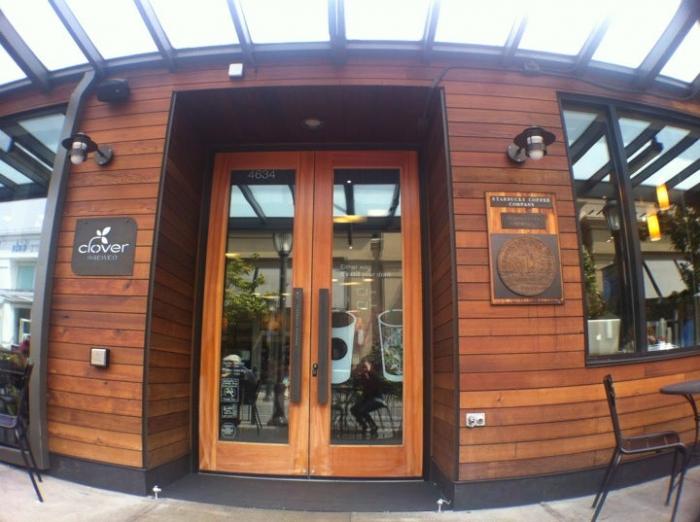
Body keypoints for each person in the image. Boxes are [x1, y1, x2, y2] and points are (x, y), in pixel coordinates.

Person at [350, 358, 384, 437]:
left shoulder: (373, 375)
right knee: (353, 409)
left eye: (365, 366)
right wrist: (357, 377)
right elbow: (358, 387)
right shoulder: (363, 376)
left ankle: (373, 426)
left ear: (370, 366)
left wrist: (366, 377)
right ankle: (364, 425)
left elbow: (373, 389)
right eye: (362, 367)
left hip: (377, 399)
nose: (364, 369)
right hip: (368, 398)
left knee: (362, 410)